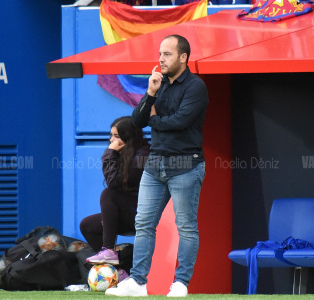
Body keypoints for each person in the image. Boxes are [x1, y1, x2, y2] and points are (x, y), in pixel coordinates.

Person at [106, 34, 209, 297]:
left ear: (183, 57)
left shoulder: (196, 87)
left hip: (185, 165)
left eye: (167, 54)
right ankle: (138, 282)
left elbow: (179, 122)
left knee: (186, 226)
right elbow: (137, 122)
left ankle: (181, 283)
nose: (161, 59)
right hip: (155, 165)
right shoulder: (158, 84)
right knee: (144, 223)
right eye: (160, 54)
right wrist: (150, 93)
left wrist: (154, 119)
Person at [80, 116, 150, 280]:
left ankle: (109, 250)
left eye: (117, 136)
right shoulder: (125, 153)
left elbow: (113, 183)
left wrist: (109, 153)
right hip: (129, 213)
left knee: (108, 194)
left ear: (129, 137)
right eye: (111, 136)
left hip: (144, 215)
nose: (112, 140)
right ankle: (119, 272)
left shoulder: (143, 155)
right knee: (88, 225)